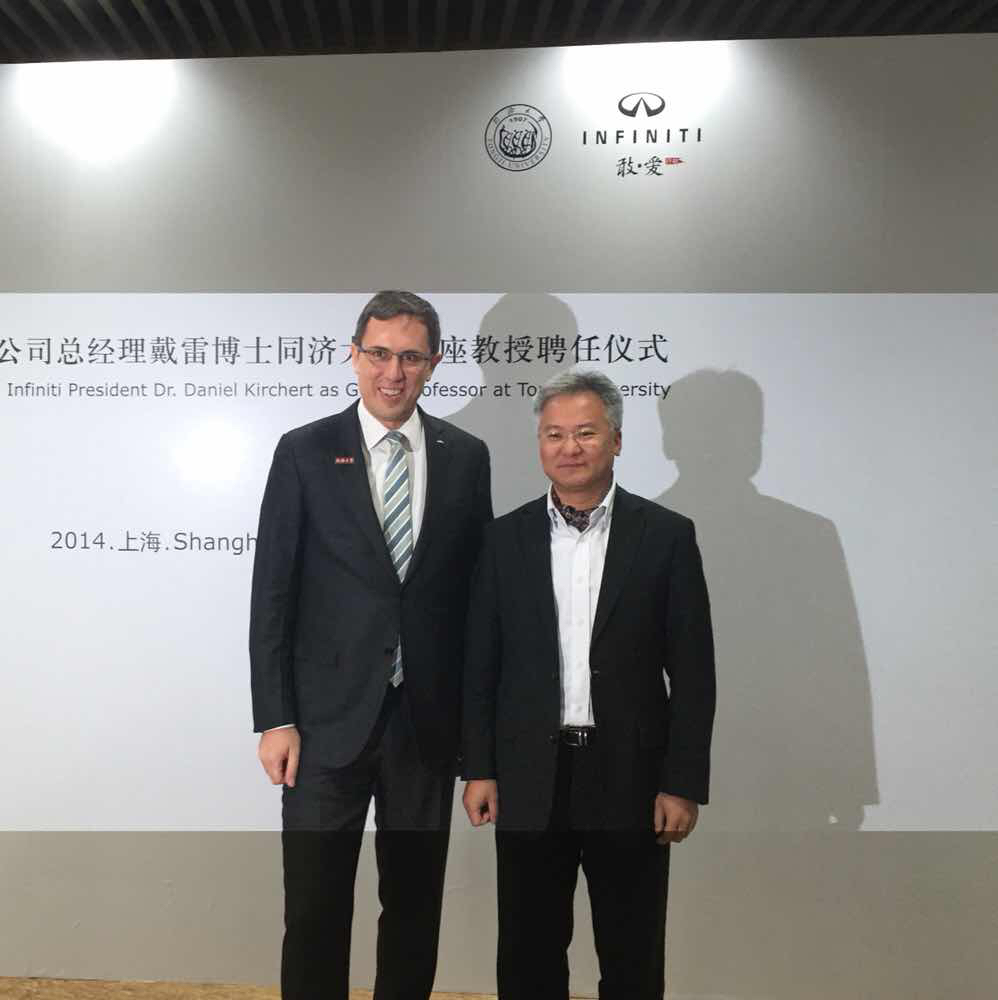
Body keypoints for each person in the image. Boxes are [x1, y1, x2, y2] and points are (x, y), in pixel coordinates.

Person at [250, 290, 492, 1000]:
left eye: (411, 357)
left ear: (434, 364)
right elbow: (273, 593)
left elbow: (476, 604)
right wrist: (276, 717)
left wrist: (477, 743)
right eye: (379, 353)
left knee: (414, 908)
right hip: (323, 724)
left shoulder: (465, 457)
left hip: (426, 723)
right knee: (315, 910)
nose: (394, 372)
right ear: (353, 355)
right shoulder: (303, 450)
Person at [461, 369, 715, 1000]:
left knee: (632, 957)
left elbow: (693, 672)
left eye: (585, 432)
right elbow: (482, 665)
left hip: (630, 777)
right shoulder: (503, 539)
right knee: (528, 956)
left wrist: (682, 782)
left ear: (617, 440)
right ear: (540, 444)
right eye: (554, 434)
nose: (569, 447)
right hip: (528, 776)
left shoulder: (666, 536)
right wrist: (480, 768)